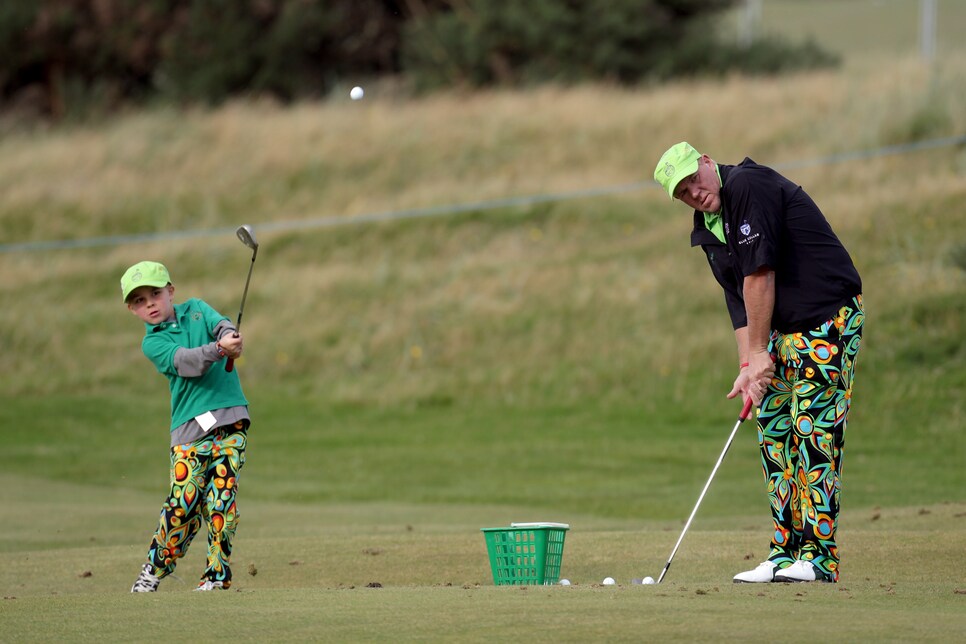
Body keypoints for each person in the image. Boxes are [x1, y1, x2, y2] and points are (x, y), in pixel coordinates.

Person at [653, 142, 864, 583]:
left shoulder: (747, 185)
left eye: (694, 178)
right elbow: (738, 301)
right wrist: (749, 367)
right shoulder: (708, 228)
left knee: (813, 435)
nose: (694, 191)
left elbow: (759, 276)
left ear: (708, 162)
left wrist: (759, 351)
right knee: (774, 438)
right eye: (682, 191)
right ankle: (785, 555)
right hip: (781, 333)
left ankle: (819, 560)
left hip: (826, 319)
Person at [120, 260, 251, 592]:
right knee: (184, 503)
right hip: (189, 430)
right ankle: (155, 568)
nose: (149, 303)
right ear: (132, 310)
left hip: (230, 420)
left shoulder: (197, 309)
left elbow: (220, 324)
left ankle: (216, 577)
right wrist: (219, 349)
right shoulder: (152, 344)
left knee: (221, 501)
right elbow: (186, 363)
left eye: (155, 294)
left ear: (171, 292)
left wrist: (228, 337)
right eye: (139, 300)